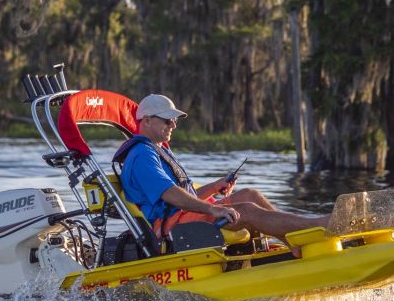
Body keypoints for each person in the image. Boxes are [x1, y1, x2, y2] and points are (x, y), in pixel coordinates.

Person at [116, 94, 330, 253]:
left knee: (250, 195)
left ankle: (293, 242)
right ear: (146, 121)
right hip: (170, 227)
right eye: (167, 120)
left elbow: (183, 196)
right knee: (246, 210)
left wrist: (213, 187)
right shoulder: (142, 156)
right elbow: (171, 195)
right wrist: (212, 209)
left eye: (174, 120)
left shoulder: (158, 148)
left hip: (180, 214)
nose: (173, 124)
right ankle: (318, 226)